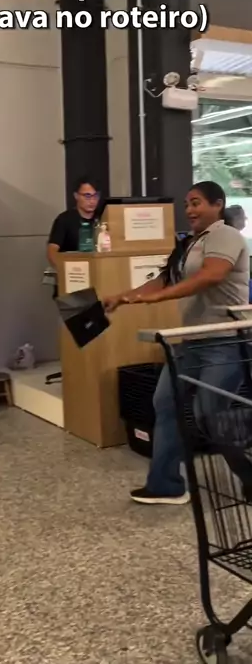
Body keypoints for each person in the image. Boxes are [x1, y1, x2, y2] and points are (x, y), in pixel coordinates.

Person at [104, 181, 249, 506]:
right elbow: (163, 279)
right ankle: (166, 484)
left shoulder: (225, 234)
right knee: (165, 403)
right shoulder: (189, 243)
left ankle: (249, 476)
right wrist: (125, 297)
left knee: (209, 414)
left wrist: (158, 299)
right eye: (186, 204)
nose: (189, 210)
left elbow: (210, 276)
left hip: (224, 342)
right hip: (189, 342)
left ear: (217, 204)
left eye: (196, 203)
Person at [47, 176, 101, 270]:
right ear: (76, 196)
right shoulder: (64, 219)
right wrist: (63, 270)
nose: (92, 201)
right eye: (87, 196)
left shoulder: (103, 217)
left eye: (95, 196)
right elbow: (52, 251)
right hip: (74, 271)